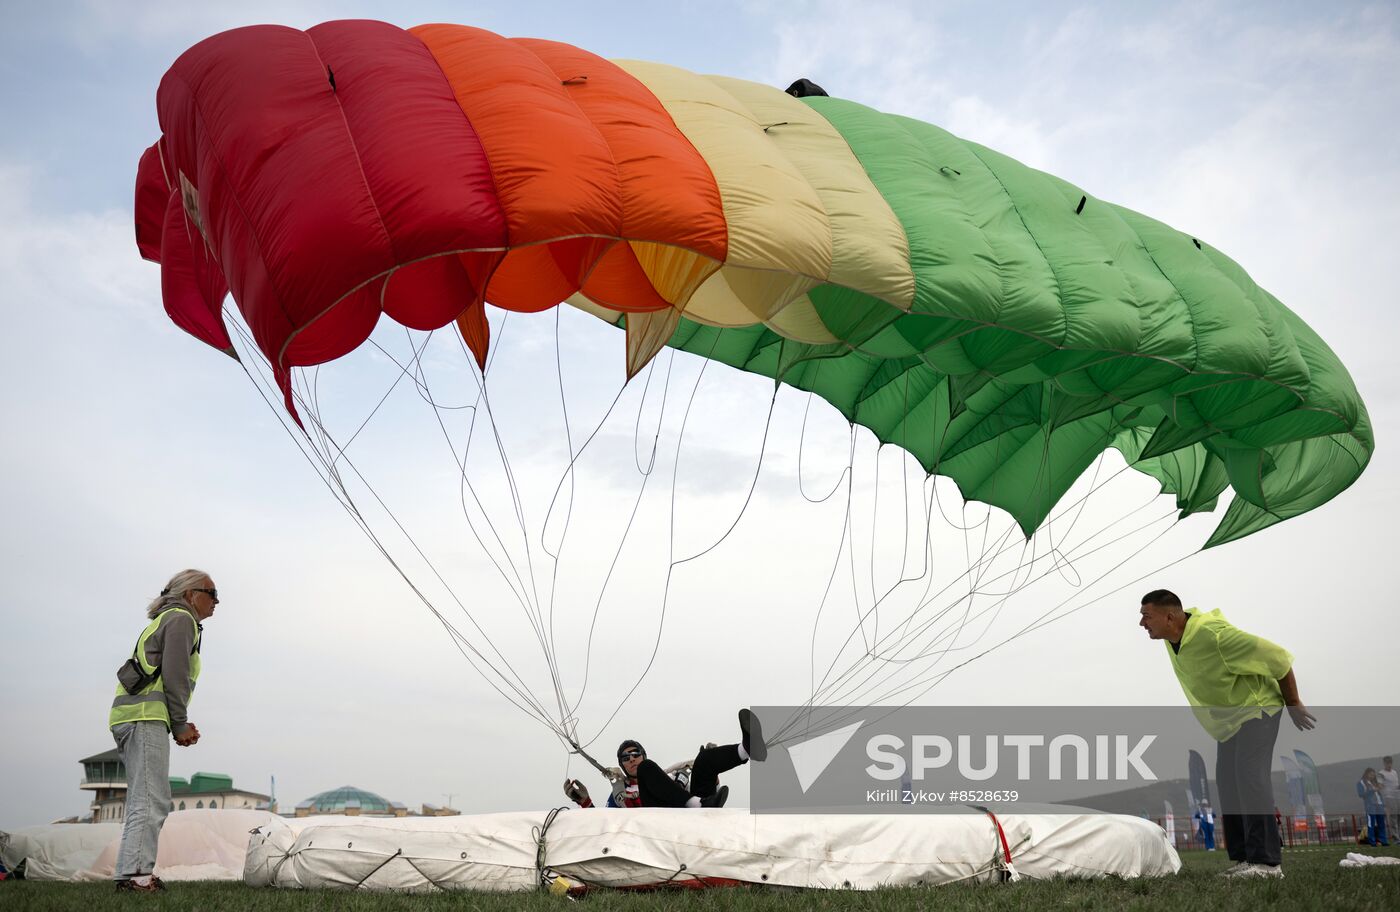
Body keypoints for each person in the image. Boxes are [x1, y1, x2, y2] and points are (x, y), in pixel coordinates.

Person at [1139, 590, 1314, 880]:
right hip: (1230, 720)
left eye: (1146, 616)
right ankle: (1246, 859)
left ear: (1169, 616)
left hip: (1257, 710)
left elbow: (1279, 658)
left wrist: (1293, 702)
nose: (1142, 624)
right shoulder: (1173, 638)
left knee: (1250, 777)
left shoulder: (1214, 636)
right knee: (1228, 784)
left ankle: (1267, 864)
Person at [108, 570, 219, 893]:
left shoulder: (167, 618)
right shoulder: (181, 619)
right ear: (189, 594)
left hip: (134, 715)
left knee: (144, 797)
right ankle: (137, 876)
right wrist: (180, 723)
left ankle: (130, 873)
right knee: (152, 798)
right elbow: (175, 674)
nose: (216, 601)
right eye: (211, 593)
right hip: (145, 716)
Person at [563, 710, 765, 809]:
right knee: (647, 769)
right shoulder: (620, 795)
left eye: (636, 754)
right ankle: (698, 807)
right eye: (626, 757)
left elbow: (703, 781)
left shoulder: (669, 777)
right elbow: (603, 827)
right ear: (622, 765)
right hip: (656, 822)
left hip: (691, 811)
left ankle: (746, 749)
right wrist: (585, 801)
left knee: (703, 759)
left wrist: (713, 772)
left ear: (643, 754)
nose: (632, 759)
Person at [1357, 768, 1389, 846]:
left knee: (1381, 823)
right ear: (1367, 774)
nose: (1372, 776)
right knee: (1371, 824)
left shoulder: (1375, 782)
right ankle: (1372, 841)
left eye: (1373, 774)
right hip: (1370, 805)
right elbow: (1361, 794)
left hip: (1379, 804)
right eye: (1371, 774)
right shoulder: (1361, 783)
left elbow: (1379, 793)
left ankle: (1383, 841)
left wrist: (1383, 803)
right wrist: (1372, 790)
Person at [1378, 756, 1400, 844]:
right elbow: (1379, 784)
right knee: (1393, 818)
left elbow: (1396, 784)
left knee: (1399, 818)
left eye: (1390, 762)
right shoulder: (1381, 773)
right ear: (1384, 763)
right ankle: (1396, 838)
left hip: (1398, 796)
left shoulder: (1394, 772)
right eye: (1387, 763)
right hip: (1389, 797)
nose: (1389, 764)